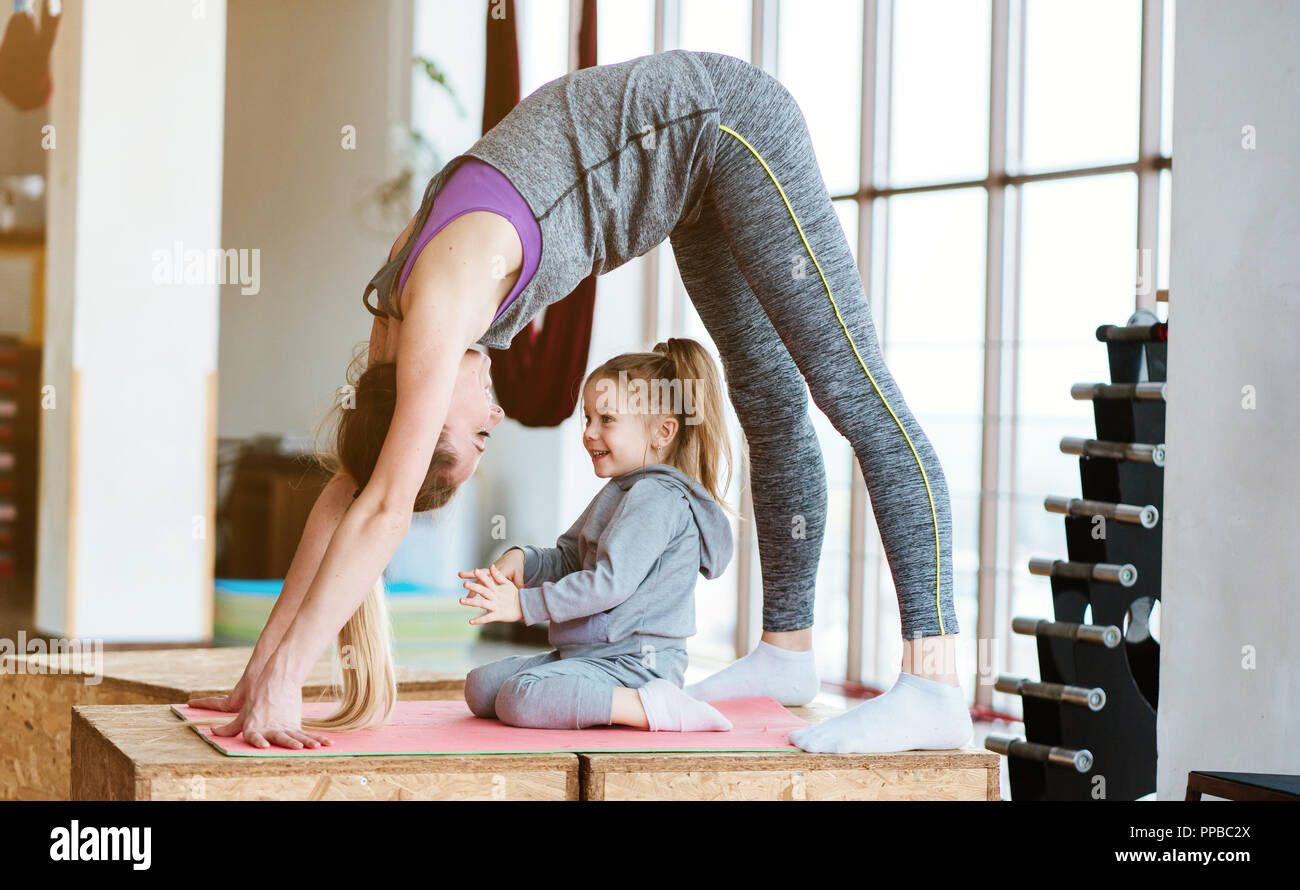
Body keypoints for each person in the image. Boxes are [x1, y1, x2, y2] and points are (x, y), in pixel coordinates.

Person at [205, 49, 970, 754]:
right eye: (484, 441)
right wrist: (264, 671)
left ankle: (934, 681)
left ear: (430, 409)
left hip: (728, 127)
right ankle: (787, 654)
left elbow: (384, 510)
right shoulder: (393, 340)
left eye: (476, 440)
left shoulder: (436, 315)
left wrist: (288, 679)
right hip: (691, 183)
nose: (494, 420)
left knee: (853, 390)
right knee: (768, 399)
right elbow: (358, 486)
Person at [459, 338, 736, 732]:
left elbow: (609, 584)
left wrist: (525, 604)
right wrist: (525, 561)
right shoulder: (621, 489)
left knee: (519, 699)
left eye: (606, 420)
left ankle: (653, 705)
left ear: (662, 432)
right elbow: (572, 557)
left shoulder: (656, 498)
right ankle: (624, 701)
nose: (589, 432)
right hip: (592, 655)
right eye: (587, 418)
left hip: (637, 665)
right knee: (481, 688)